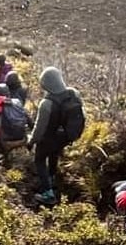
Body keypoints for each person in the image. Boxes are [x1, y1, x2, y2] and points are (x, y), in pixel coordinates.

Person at [28, 66, 85, 207]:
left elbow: (39, 129)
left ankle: (48, 194)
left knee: (40, 160)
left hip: (48, 139)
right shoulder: (74, 94)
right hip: (65, 137)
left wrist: (31, 141)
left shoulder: (46, 104)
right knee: (54, 154)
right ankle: (52, 178)